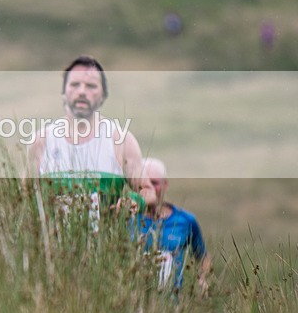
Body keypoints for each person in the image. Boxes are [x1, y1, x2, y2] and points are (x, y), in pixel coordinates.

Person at [26, 55, 155, 232]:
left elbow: (148, 191)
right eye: (74, 84)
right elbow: (26, 196)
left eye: (91, 86)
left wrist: (134, 201)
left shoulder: (120, 140)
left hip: (107, 251)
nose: (81, 91)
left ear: (103, 95)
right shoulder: (42, 141)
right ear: (64, 92)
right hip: (53, 253)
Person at [130, 158, 211, 296]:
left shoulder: (185, 220)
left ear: (165, 184)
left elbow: (203, 257)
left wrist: (202, 279)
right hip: (134, 300)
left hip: (172, 305)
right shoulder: (127, 217)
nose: (149, 188)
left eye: (154, 183)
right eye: (144, 183)